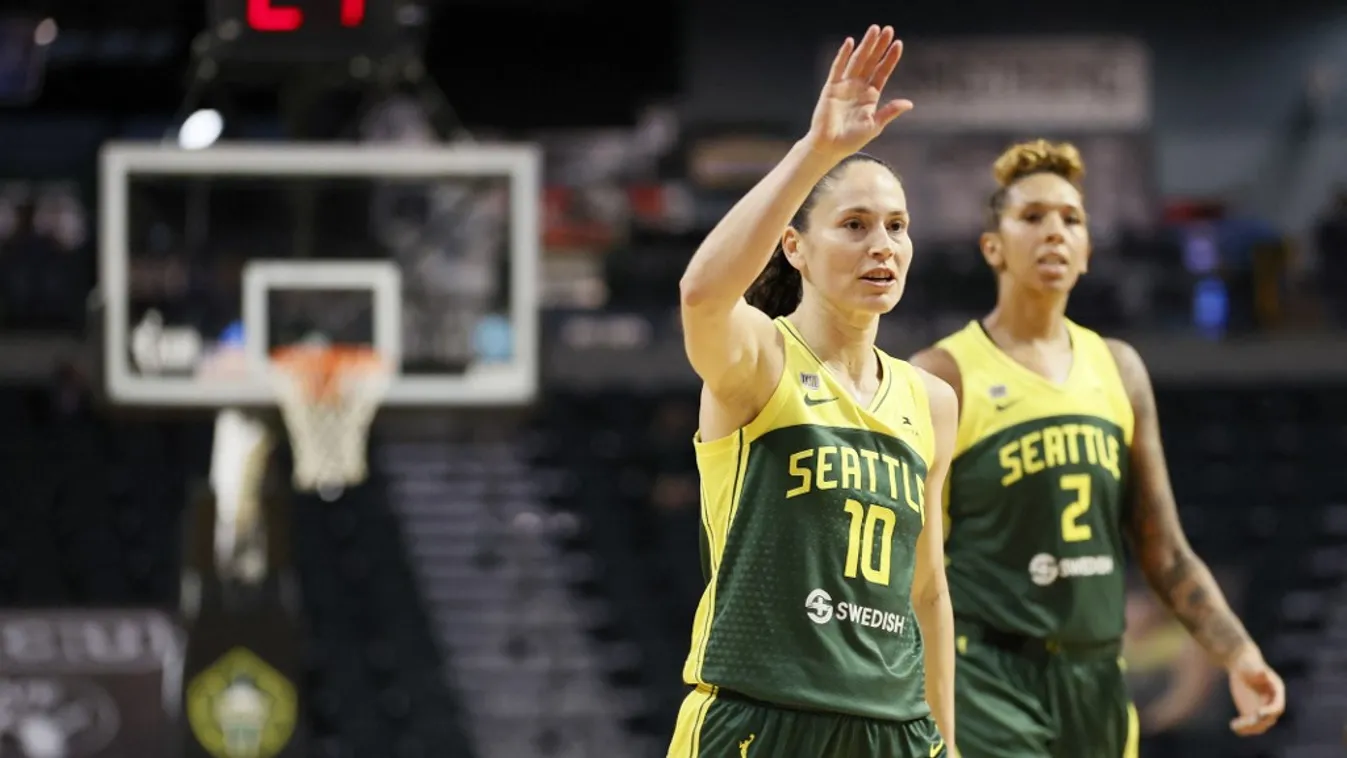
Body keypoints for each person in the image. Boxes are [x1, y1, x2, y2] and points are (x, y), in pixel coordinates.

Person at [910, 139, 1287, 758]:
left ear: (1086, 250)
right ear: (992, 247)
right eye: (1032, 217)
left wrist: (1238, 653)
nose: (1055, 232)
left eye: (1072, 219)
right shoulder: (942, 373)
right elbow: (914, 572)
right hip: (987, 677)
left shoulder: (1120, 369)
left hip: (1098, 679)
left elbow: (1162, 548)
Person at [667, 24, 956, 758]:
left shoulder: (931, 401)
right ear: (793, 247)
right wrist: (815, 154)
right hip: (759, 718)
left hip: (894, 730)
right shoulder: (758, 358)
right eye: (854, 226)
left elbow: (926, 593)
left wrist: (947, 743)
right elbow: (700, 293)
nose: (882, 245)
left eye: (896, 226)